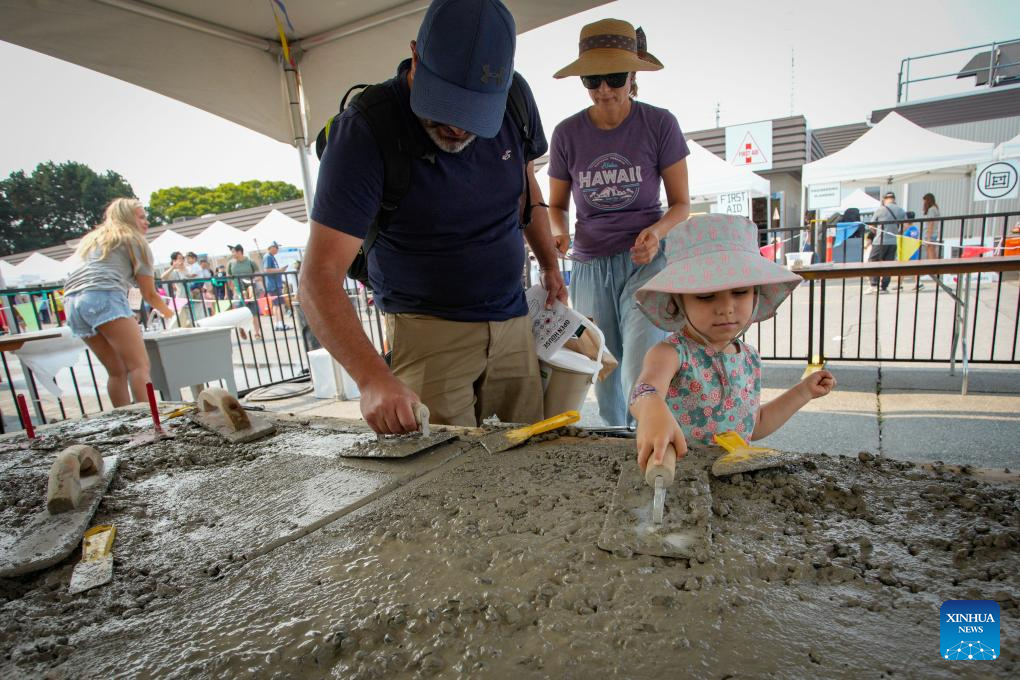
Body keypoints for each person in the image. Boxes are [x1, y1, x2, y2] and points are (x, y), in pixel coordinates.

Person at [301, 0, 565, 434]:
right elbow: (318, 277)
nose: (459, 128)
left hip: (513, 319)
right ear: (416, 57)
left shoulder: (515, 98)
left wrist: (550, 264)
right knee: (442, 479)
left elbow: (526, 183)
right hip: (427, 331)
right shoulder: (367, 130)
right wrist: (373, 379)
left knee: (525, 463)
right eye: (444, 106)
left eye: (474, 114)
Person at [547, 18, 691, 427]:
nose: (604, 90)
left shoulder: (659, 123)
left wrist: (657, 233)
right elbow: (556, 205)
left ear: (633, 75)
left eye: (614, 77)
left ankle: (648, 440)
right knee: (604, 367)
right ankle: (617, 448)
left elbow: (681, 204)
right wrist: (559, 232)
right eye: (592, 79)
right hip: (590, 265)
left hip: (647, 262)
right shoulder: (566, 134)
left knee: (641, 364)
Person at [628, 214, 836, 469]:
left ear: (756, 293)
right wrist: (651, 408)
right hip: (680, 477)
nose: (726, 307)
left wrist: (803, 391)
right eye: (706, 296)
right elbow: (644, 390)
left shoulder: (749, 358)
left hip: (734, 481)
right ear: (677, 300)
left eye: (740, 292)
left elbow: (754, 424)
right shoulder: (671, 353)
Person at [62, 198, 173, 407]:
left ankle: (125, 422)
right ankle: (152, 421)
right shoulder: (135, 240)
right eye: (141, 217)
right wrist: (171, 315)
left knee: (116, 371)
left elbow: (131, 290)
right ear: (127, 218)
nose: (146, 222)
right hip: (102, 294)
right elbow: (149, 293)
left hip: (72, 301)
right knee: (139, 366)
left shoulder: (97, 240)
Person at [865, 192, 906, 294]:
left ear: (884, 199)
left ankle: (874, 284)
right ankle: (884, 287)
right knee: (888, 264)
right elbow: (905, 226)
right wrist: (898, 233)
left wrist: (876, 233)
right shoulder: (900, 210)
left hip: (880, 241)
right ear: (894, 199)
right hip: (893, 241)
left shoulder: (880, 209)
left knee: (873, 261)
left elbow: (871, 226)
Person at [227, 244, 262, 339]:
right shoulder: (230, 263)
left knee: (254, 313)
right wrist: (230, 292)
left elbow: (258, 275)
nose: (232, 254)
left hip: (251, 289)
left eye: (234, 252)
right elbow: (228, 279)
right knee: (240, 313)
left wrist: (253, 280)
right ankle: (241, 329)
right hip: (237, 291)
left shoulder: (250, 262)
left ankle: (257, 333)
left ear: (239, 252)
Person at [160, 251, 194, 326]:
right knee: (176, 323)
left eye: (182, 258)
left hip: (191, 299)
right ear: (174, 261)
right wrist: (173, 267)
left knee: (190, 322)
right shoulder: (175, 272)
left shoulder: (188, 269)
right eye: (179, 258)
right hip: (181, 300)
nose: (181, 260)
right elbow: (163, 277)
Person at [261, 241, 290, 331]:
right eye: (276, 247)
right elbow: (266, 270)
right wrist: (280, 270)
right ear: (272, 247)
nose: (277, 249)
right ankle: (280, 323)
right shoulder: (268, 256)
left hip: (275, 283)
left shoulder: (271, 256)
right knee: (279, 304)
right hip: (273, 284)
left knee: (276, 305)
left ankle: (278, 323)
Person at [922, 192, 941, 261]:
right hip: (934, 233)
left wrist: (928, 238)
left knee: (930, 253)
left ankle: (931, 269)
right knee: (933, 252)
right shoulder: (935, 208)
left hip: (930, 234)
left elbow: (930, 224)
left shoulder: (931, 210)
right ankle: (935, 269)